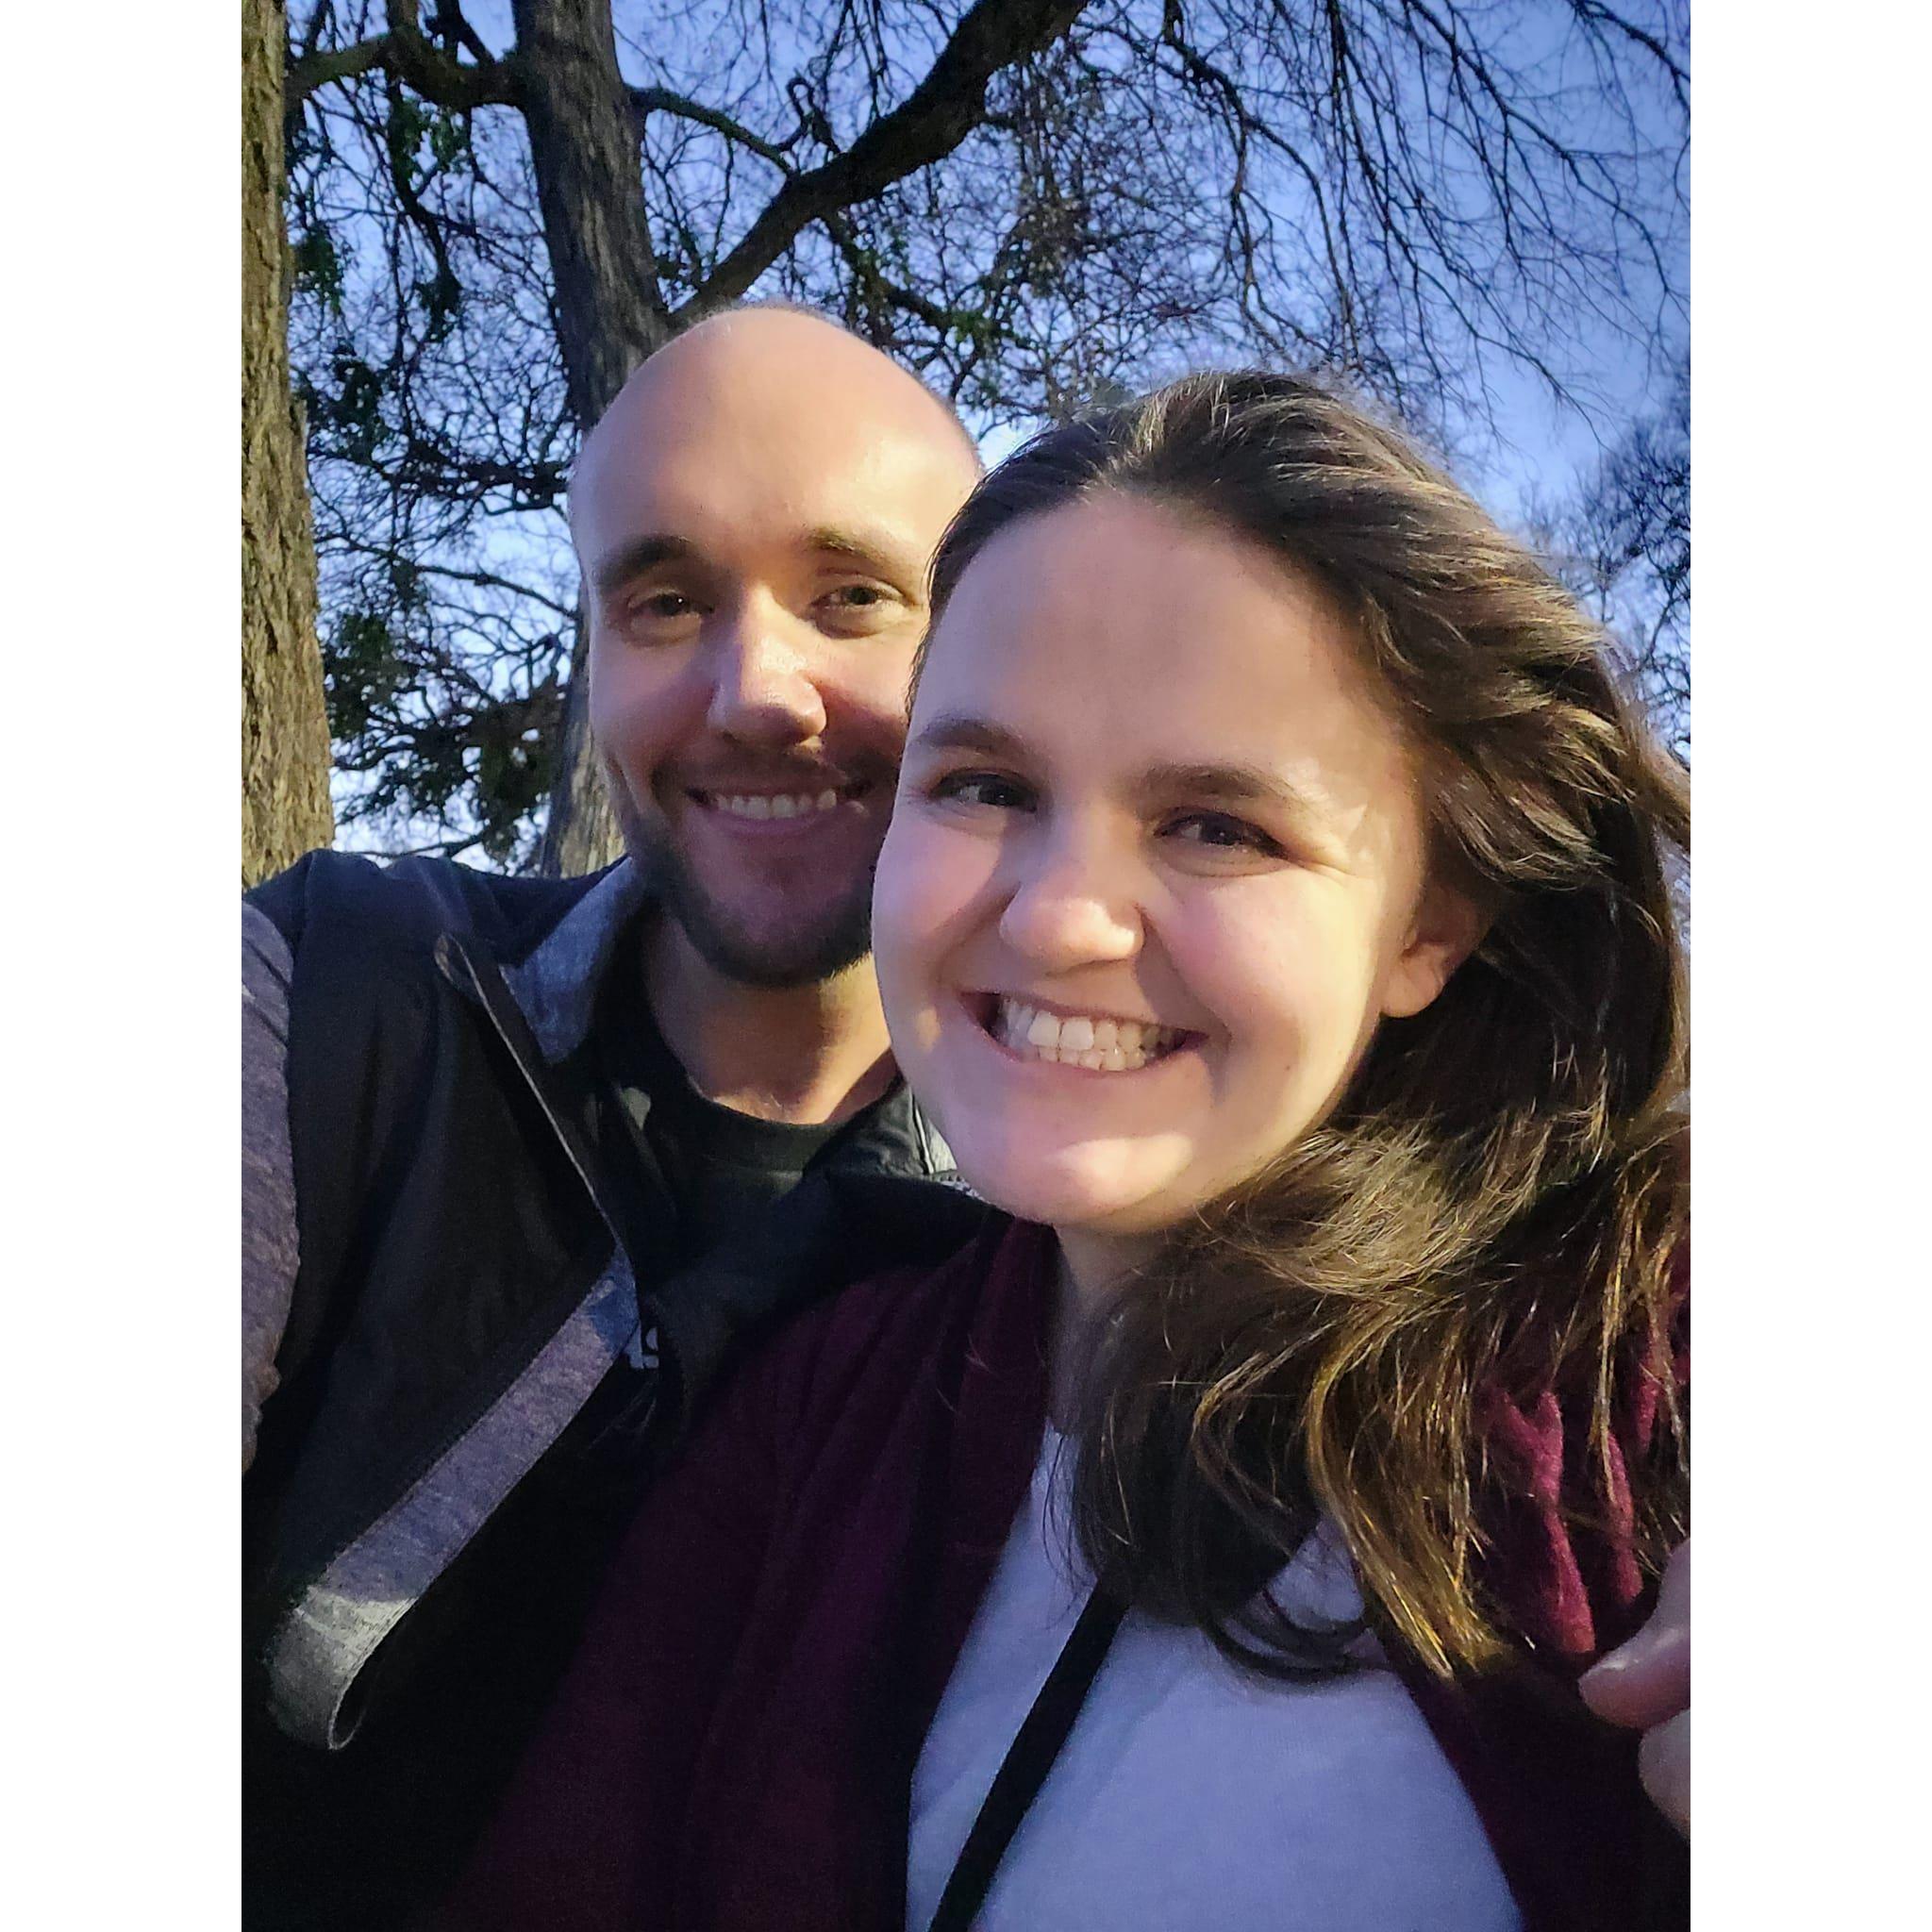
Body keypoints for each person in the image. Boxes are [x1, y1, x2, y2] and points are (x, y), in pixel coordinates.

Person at [441, 370, 1692, 1930]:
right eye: (983, 787)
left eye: (1218, 824)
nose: (1052, 917)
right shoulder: (811, 1423)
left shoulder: (1640, 1357)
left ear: (1429, 926)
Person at [241, 307, 989, 1929]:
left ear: (981, 650)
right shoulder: (336, 986)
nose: (754, 690)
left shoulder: (1071, 1239)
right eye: (665, 601)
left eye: (851, 596)